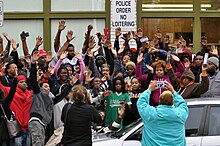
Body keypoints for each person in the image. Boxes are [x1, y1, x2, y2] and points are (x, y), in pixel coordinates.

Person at [137, 81, 188, 146]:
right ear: (173, 101)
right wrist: (173, 92)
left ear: (159, 100)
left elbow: (141, 103)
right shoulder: (180, 114)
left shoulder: (151, 114)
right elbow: (183, 104)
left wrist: (149, 90)